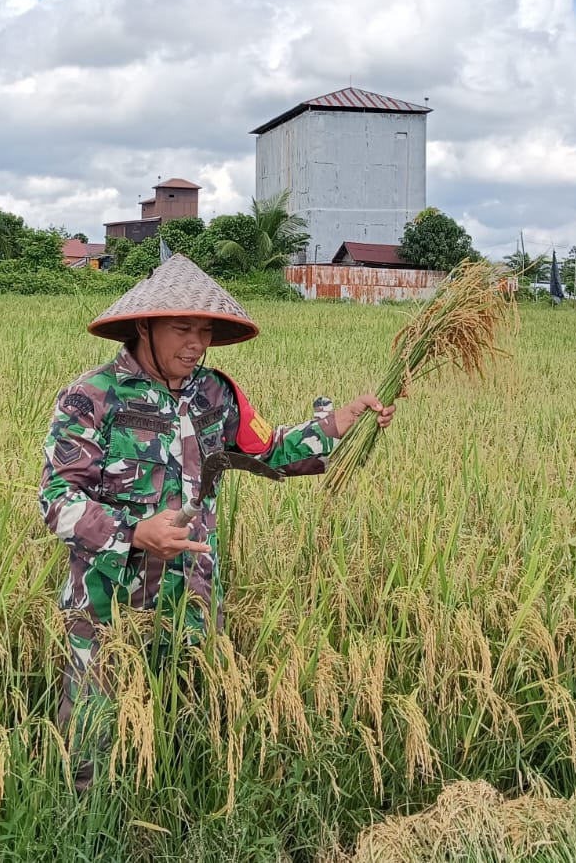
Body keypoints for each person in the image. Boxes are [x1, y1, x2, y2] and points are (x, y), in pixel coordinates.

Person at [39, 253, 394, 789]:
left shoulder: (216, 394)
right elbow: (57, 497)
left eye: (204, 331)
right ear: (144, 325)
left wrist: (336, 423)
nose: (195, 344)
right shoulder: (92, 397)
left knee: (186, 731)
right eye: (182, 328)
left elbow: (269, 451)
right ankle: (91, 830)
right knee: (94, 743)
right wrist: (134, 533)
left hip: (195, 603)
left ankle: (179, 823)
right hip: (107, 607)